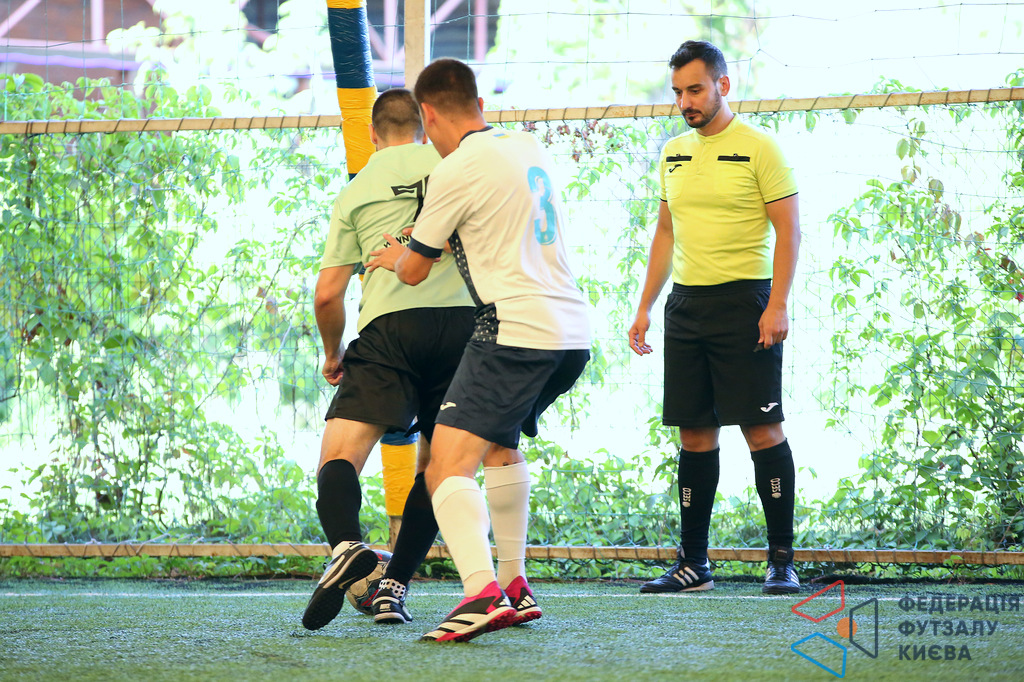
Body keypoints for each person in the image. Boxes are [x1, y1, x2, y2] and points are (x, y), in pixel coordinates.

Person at [367, 58, 591, 642]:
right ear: (480, 105)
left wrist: (393, 257)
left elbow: (414, 269)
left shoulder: (456, 169)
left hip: (513, 330)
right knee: (497, 448)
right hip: (570, 332)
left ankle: (480, 594)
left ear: (428, 115)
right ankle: (514, 585)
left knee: (445, 463)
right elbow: (490, 228)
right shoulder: (526, 147)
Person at [628, 40, 802, 595]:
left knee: (761, 429)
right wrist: (645, 306)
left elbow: (789, 230)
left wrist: (777, 304)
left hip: (746, 304)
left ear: (723, 85)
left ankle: (781, 560)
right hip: (686, 306)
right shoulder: (673, 152)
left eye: (696, 89)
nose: (686, 102)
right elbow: (665, 232)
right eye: (678, 92)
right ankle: (694, 564)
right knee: (694, 433)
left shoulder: (759, 147)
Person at [302, 88, 476, 631]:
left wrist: (333, 352)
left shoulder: (357, 190)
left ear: (372, 134)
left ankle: (347, 548)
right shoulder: (454, 162)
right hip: (464, 328)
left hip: (389, 329)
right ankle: (393, 589)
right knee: (439, 467)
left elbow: (327, 294)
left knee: (339, 457)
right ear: (425, 127)